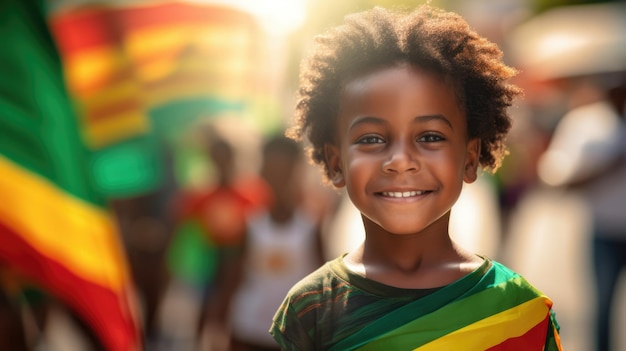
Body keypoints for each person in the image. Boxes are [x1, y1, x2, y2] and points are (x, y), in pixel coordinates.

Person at [270, 5, 563, 350]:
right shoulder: (311, 310)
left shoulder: (520, 311)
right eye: (371, 139)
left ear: (469, 159)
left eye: (430, 137)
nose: (400, 161)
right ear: (336, 164)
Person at [212, 134, 325, 351]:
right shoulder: (250, 225)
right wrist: (217, 325)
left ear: (297, 172)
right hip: (248, 330)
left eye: (284, 172)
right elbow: (232, 279)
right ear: (262, 173)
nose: (278, 181)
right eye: (272, 172)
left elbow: (324, 286)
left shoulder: (310, 228)